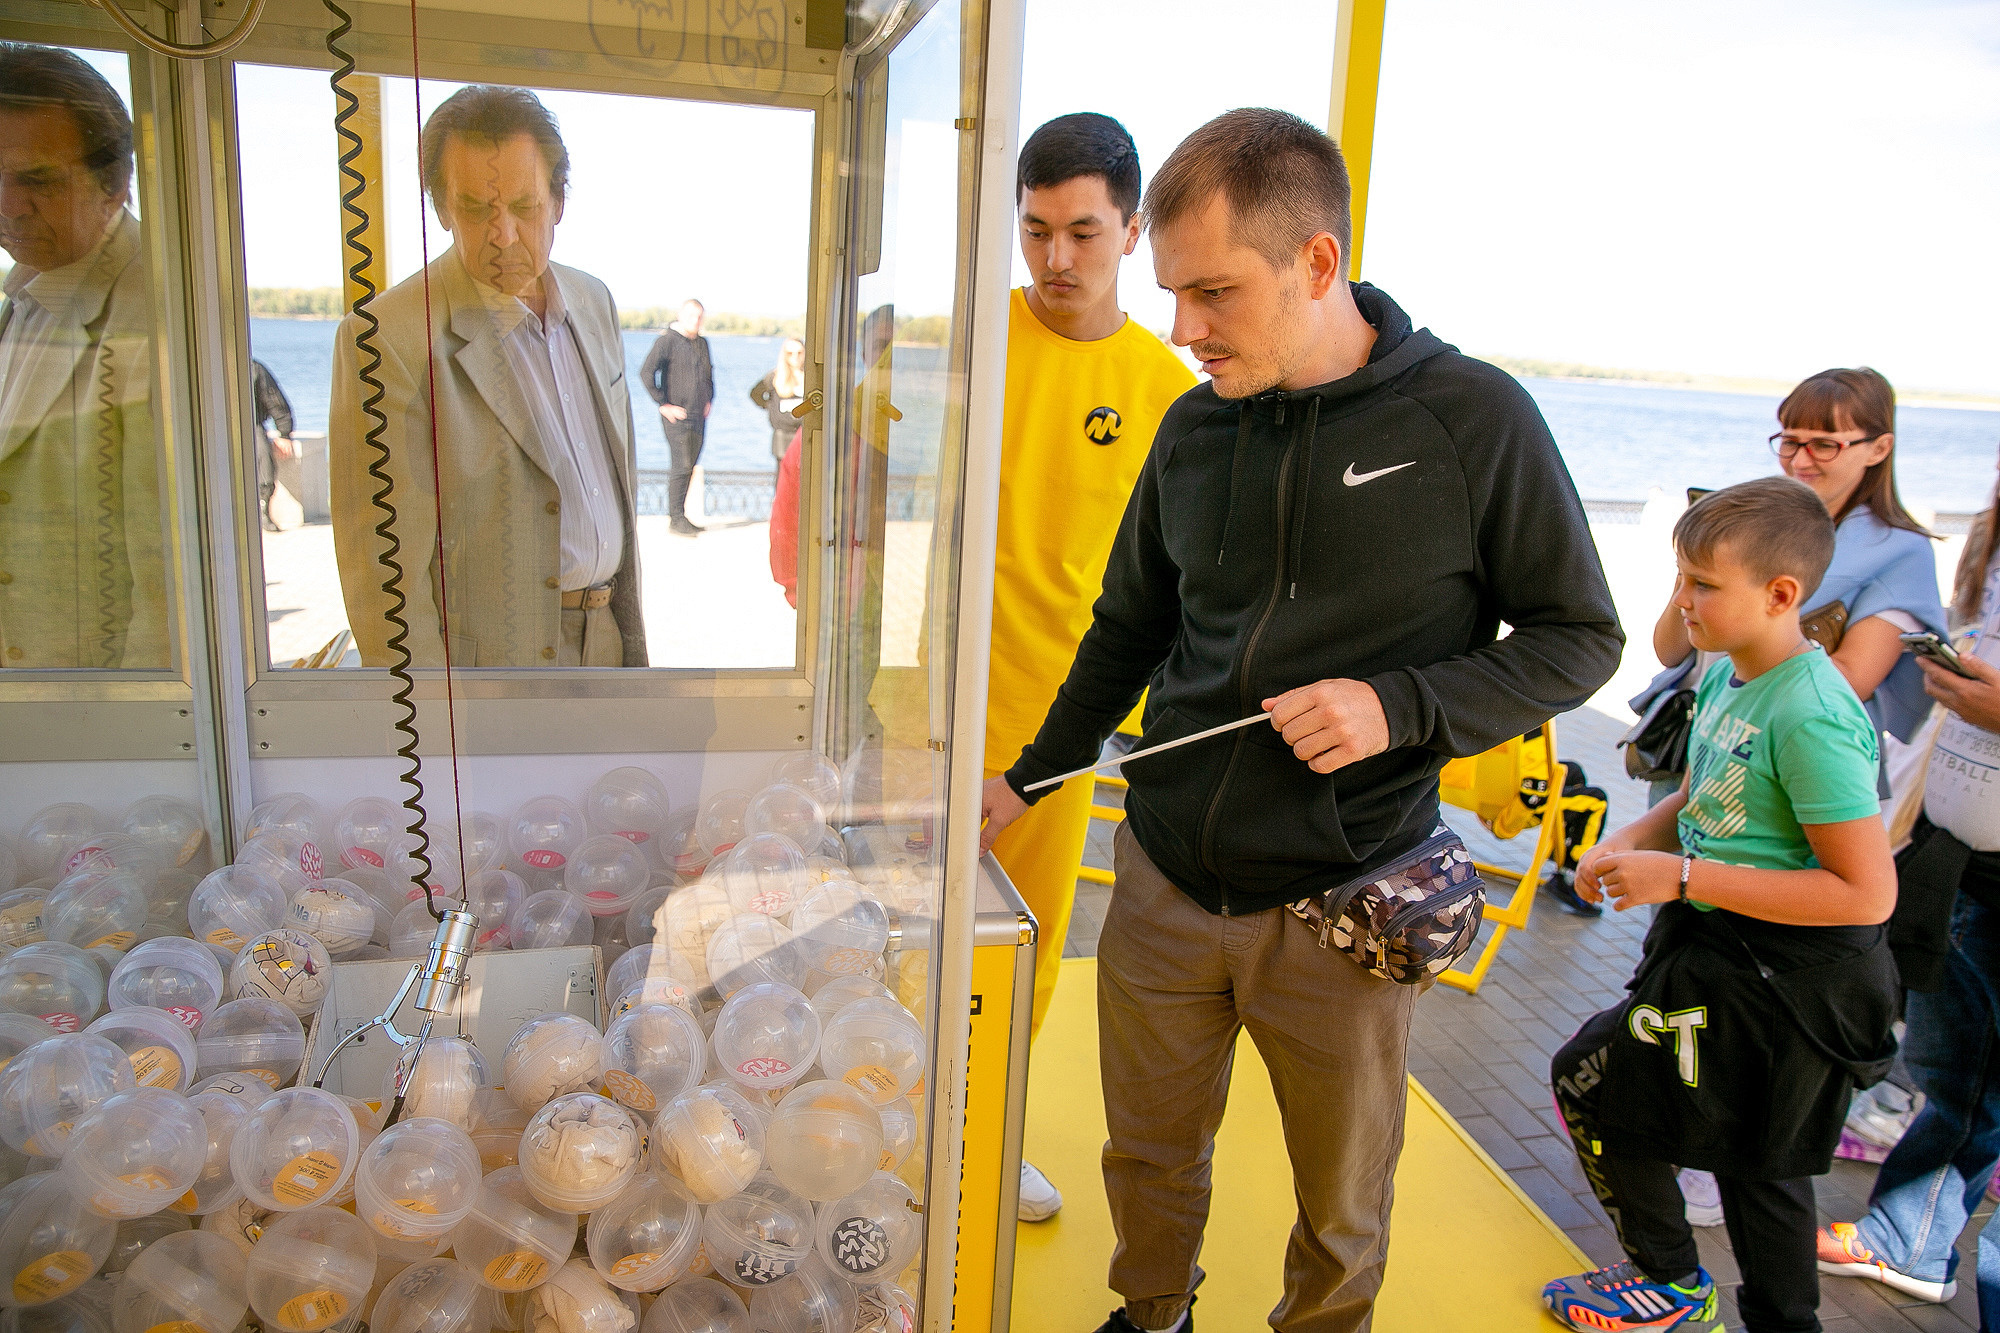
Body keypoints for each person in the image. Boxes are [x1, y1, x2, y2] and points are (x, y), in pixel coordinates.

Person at [979, 108, 1623, 1333]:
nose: (1182, 328)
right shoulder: (1192, 421)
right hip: (1163, 882)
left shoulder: (1472, 417)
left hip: (1345, 896)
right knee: (1145, 1154)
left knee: (1339, 1197)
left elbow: (1578, 637)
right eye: (1171, 291)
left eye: (1213, 292)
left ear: (1315, 264)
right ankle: (1151, 1312)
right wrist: (1031, 775)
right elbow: (1124, 629)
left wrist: (1401, 706)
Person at [1543, 477, 1900, 1333]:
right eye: (1680, 578)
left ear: (1782, 595)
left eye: (1703, 584)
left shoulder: (1811, 712)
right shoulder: (1734, 675)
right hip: (1720, 960)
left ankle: (1679, 1286)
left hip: (1788, 984)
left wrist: (1688, 879)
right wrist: (1633, 837)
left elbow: (1865, 891)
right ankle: (1685, 1284)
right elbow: (1707, 795)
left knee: (1631, 1100)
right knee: (1745, 1155)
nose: (1683, 603)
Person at [978, 111, 1195, 1225]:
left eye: (1082, 232)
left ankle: (988, 1126)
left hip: (1054, 728)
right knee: (892, 926)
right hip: (929, 708)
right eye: (1033, 231)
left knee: (1028, 947)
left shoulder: (1164, 388)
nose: (1056, 259)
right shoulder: (966, 340)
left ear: (1131, 229)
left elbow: (1173, 586)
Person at [328, 85, 646, 668]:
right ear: (442, 209)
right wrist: (428, 729)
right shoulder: (386, 337)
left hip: (609, 642)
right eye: (476, 209)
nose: (503, 234)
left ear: (559, 202)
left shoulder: (594, 300)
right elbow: (384, 579)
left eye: (524, 208)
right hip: (484, 681)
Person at [1814, 458, 2000, 1325]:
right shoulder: (1988, 549)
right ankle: (1909, 1236)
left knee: (1969, 1088)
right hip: (1963, 859)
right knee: (1952, 1076)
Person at [0, 42, 163, 670]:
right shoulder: (28, 292)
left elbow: (169, 580)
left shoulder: (158, 312)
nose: (9, 205)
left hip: (103, 728)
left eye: (37, 179)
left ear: (115, 184)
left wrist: (137, 743)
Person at [641, 298, 714, 536]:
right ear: (681, 316)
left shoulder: (702, 343)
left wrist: (709, 399)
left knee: (690, 465)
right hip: (677, 418)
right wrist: (663, 404)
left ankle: (682, 515)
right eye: (692, 316)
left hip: (698, 416)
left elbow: (708, 372)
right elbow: (647, 372)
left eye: (700, 316)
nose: (696, 321)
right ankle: (675, 518)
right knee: (680, 465)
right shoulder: (667, 341)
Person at [251, 359, 295, 533]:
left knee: (263, 455)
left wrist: (284, 433)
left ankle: (263, 511)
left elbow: (274, 399)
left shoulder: (254, 368)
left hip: (251, 425)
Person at [749, 336, 806, 465]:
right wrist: (770, 407)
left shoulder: (811, 378)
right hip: (783, 436)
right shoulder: (774, 377)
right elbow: (755, 394)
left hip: (804, 433)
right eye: (790, 353)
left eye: (799, 353)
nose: (795, 357)